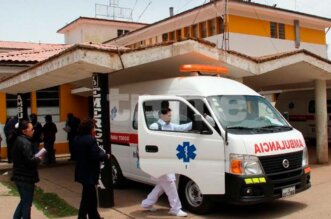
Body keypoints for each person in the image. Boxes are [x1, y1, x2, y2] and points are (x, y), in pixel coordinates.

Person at [141, 106, 191, 217]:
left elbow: (182, 127)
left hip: (168, 160)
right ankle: (176, 209)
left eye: (170, 115)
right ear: (161, 115)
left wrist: (196, 122)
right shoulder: (154, 126)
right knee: (170, 184)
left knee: (161, 186)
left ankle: (146, 204)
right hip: (159, 161)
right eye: (168, 115)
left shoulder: (171, 126)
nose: (170, 117)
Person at [73, 118, 110, 219]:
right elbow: (96, 156)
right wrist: (106, 156)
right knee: (88, 198)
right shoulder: (90, 139)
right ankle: (81, 216)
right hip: (89, 173)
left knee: (90, 197)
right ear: (89, 128)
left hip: (82, 171)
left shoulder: (76, 138)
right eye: (94, 127)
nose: (95, 129)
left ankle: (94, 216)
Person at [11, 120, 45, 219]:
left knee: (24, 201)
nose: (33, 131)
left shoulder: (18, 140)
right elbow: (29, 161)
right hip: (26, 177)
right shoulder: (25, 143)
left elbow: (24, 158)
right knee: (27, 204)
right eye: (32, 129)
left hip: (19, 176)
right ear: (24, 131)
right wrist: (38, 158)